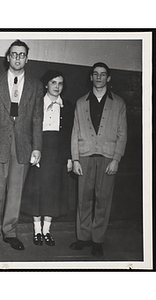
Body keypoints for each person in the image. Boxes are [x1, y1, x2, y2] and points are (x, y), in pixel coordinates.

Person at [0, 39, 43, 251]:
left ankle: (10, 232)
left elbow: (37, 118)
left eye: (22, 54)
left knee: (15, 192)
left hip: (23, 145)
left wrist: (37, 147)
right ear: (8, 57)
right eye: (14, 54)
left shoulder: (35, 85)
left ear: (27, 58)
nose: (17, 58)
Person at [70, 62, 127, 256]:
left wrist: (116, 159)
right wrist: (75, 159)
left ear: (108, 78)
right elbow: (74, 132)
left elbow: (122, 133)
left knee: (103, 201)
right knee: (83, 200)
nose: (99, 77)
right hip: (85, 157)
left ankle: (97, 240)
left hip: (107, 158)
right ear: (91, 77)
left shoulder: (118, 103)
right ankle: (82, 237)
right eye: (95, 74)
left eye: (103, 74)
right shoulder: (80, 102)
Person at [21, 70, 74, 246]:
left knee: (53, 193)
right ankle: (37, 231)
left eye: (60, 83)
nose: (57, 87)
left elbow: (68, 134)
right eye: (53, 83)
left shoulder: (67, 106)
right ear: (46, 84)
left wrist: (68, 157)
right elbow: (29, 129)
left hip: (57, 153)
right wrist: (32, 151)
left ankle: (46, 231)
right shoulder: (37, 103)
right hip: (39, 150)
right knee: (38, 191)